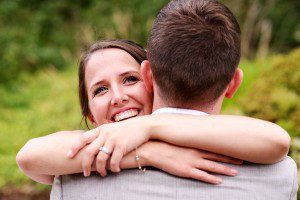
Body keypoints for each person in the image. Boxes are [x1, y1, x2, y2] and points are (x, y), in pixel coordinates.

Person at [17, 0, 297, 199]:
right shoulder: (278, 173)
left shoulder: (74, 176)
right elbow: (29, 156)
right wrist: (150, 153)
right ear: (233, 83)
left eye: (129, 80)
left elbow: (275, 140)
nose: (119, 97)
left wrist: (148, 127)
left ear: (148, 77)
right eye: (99, 90)